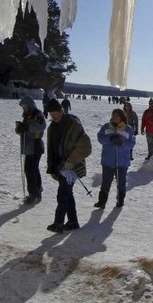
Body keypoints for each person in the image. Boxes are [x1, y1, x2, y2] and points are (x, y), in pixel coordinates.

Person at [45, 99, 91, 232]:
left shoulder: (73, 124)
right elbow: (51, 148)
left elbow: (86, 146)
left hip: (72, 167)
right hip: (60, 166)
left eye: (55, 113)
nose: (53, 116)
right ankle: (73, 221)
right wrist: (52, 167)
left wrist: (71, 161)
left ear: (61, 111)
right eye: (51, 114)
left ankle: (58, 223)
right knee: (67, 194)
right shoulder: (52, 127)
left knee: (62, 194)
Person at [95, 108, 136, 209]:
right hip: (108, 161)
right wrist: (110, 139)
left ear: (121, 117)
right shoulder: (106, 127)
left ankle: (120, 200)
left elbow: (132, 143)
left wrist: (122, 143)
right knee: (105, 182)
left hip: (122, 162)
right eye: (113, 115)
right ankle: (102, 201)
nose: (114, 117)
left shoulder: (128, 129)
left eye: (116, 115)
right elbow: (100, 138)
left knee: (121, 182)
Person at [15, 96, 46, 204]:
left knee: (30, 170)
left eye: (25, 106)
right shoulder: (27, 115)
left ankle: (34, 194)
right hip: (30, 147)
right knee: (32, 169)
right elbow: (25, 129)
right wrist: (19, 128)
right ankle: (36, 192)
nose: (24, 108)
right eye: (23, 107)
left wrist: (26, 128)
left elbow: (41, 126)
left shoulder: (37, 114)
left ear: (30, 105)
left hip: (35, 146)